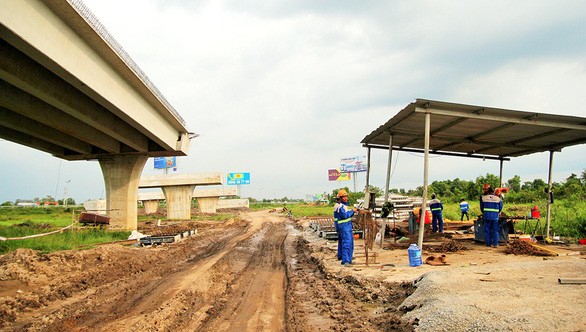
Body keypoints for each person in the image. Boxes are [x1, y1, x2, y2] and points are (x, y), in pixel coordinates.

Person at [333, 189, 356, 266]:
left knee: (343, 242)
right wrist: (353, 211)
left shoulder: (341, 206)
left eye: (346, 196)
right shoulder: (340, 206)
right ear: (340, 198)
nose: (346, 198)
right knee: (347, 243)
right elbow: (345, 215)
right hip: (344, 227)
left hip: (343, 226)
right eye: (344, 197)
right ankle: (346, 261)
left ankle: (342, 256)